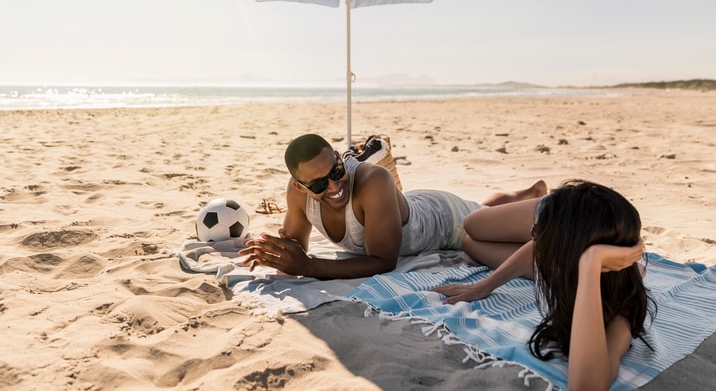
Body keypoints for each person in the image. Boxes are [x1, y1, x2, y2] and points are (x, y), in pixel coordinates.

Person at [434, 179, 655, 390]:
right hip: (573, 218)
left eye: (541, 231)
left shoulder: (621, 309)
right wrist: (483, 287)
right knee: (472, 226)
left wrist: (591, 261)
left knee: (470, 243)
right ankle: (533, 197)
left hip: (575, 234)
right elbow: (536, 246)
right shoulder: (557, 252)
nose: (533, 230)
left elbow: (588, 386)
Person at [238, 133, 547, 280]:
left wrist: (309, 267)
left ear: (337, 155)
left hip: (444, 219)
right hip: (417, 206)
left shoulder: (374, 181)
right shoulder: (298, 196)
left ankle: (533, 195)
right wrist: (276, 252)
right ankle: (526, 192)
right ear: (299, 186)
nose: (334, 187)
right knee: (483, 212)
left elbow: (383, 261)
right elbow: (296, 244)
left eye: (335, 171)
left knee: (484, 222)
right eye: (319, 185)